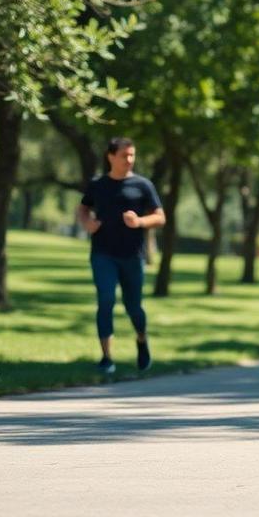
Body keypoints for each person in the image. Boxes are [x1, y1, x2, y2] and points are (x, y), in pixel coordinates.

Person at [76, 137, 166, 374]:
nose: (129, 160)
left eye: (132, 155)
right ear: (111, 156)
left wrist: (139, 221)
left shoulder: (142, 185)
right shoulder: (97, 185)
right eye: (125, 155)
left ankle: (142, 340)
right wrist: (87, 223)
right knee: (105, 300)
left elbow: (160, 216)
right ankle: (107, 357)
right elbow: (83, 207)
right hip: (103, 253)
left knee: (133, 307)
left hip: (132, 256)